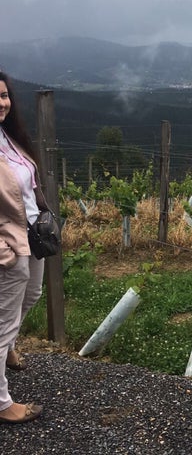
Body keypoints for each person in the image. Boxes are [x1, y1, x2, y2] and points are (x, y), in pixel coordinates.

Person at [0, 71, 43, 423]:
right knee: (2, 321)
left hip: (31, 235)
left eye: (3, 95)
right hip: (9, 245)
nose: (1, 103)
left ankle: (10, 347)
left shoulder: (8, 136)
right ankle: (2, 404)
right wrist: (4, 252)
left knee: (34, 295)